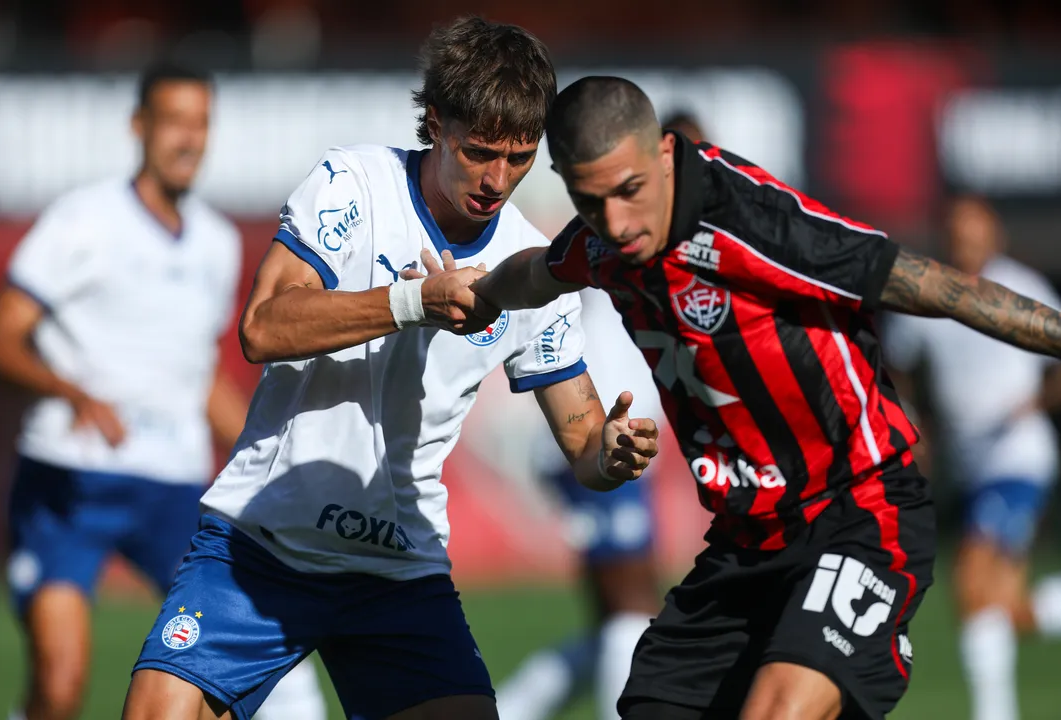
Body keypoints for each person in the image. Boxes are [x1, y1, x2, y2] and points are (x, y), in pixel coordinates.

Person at [466, 76, 1061, 720]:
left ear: (663, 154)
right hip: (746, 539)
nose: (615, 221)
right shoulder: (599, 242)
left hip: (857, 509)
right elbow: (535, 273)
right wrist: (468, 293)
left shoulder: (755, 223)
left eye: (629, 191)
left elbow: (947, 289)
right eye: (590, 200)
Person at [121, 19, 659, 720]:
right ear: (436, 123)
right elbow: (263, 325)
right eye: (479, 152)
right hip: (264, 546)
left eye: (519, 158)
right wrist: (413, 302)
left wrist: (611, 453)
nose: (497, 180)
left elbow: (583, 438)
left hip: (397, 571)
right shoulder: (354, 185)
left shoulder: (533, 269)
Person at [0, 64, 326, 720]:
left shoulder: (216, 242)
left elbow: (198, 376)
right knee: (60, 681)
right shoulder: (83, 220)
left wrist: (280, 458)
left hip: (171, 487)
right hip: (72, 478)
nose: (188, 139)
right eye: (174, 121)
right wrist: (69, 391)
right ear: (138, 126)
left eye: (201, 123)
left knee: (264, 653)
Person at [883, 195, 1061, 720]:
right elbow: (899, 367)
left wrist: (1035, 402)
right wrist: (914, 424)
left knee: (970, 576)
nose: (966, 240)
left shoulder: (1022, 286)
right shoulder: (928, 293)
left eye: (974, 229)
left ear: (993, 233)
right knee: (999, 605)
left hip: (1018, 455)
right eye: (957, 230)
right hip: (968, 461)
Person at [495, 285, 665, 720]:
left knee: (619, 621)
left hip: (623, 440)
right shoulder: (608, 251)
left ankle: (506, 711)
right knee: (632, 603)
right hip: (600, 439)